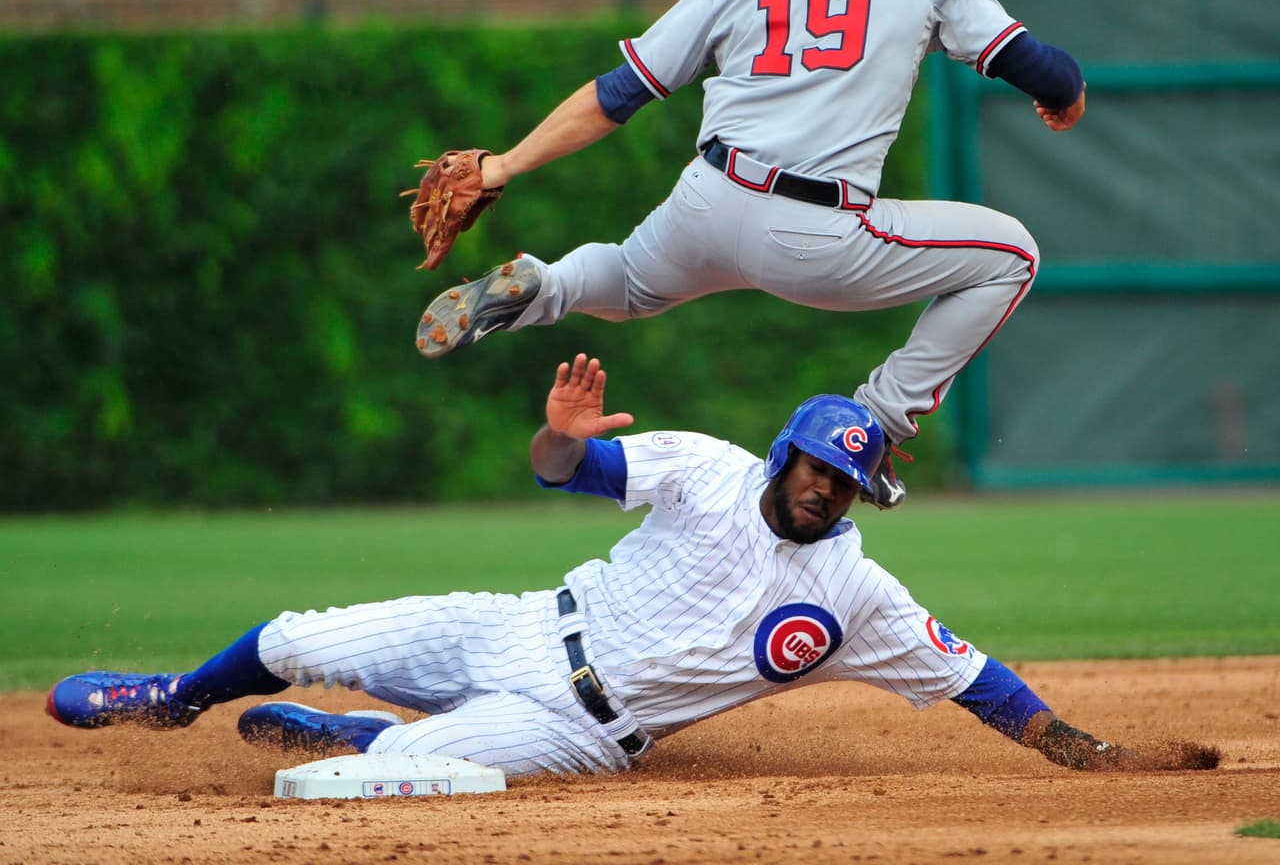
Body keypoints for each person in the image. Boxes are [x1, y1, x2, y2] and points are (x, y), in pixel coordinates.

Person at [47, 354, 1216, 778]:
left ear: (861, 492)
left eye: (844, 479)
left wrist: (1086, 754)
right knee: (301, 633)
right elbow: (561, 470)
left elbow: (978, 683)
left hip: (583, 735)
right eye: (814, 464)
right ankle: (173, 699)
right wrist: (561, 430)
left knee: (394, 770)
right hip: (518, 624)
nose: (824, 486)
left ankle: (355, 736)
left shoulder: (857, 596)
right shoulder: (706, 470)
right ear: (785, 453)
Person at [412, 0, 1088, 510]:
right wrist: (1065, 97)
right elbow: (1044, 71)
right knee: (1010, 256)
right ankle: (874, 427)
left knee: (625, 284)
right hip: (817, 228)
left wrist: (503, 164)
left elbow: (621, 92)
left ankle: (544, 285)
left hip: (709, 197)